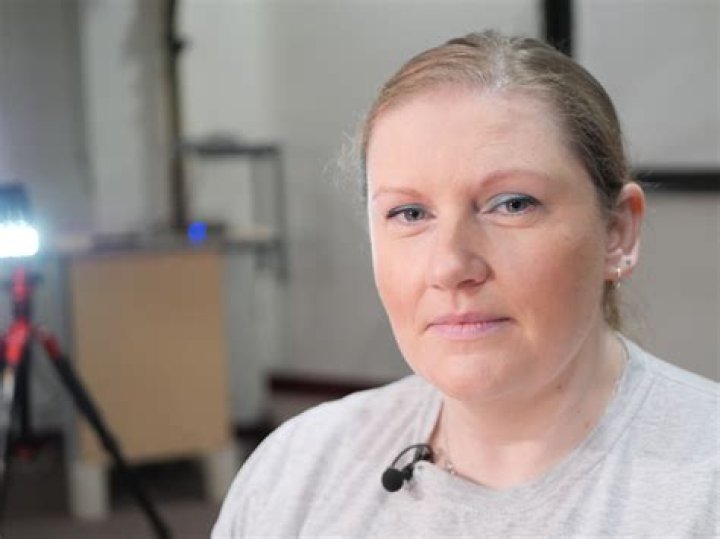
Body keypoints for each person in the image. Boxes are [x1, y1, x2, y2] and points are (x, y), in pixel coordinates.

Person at [212, 30, 718, 537]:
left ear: (617, 232)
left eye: (513, 204)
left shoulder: (702, 487)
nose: (450, 265)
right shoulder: (297, 473)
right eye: (410, 213)